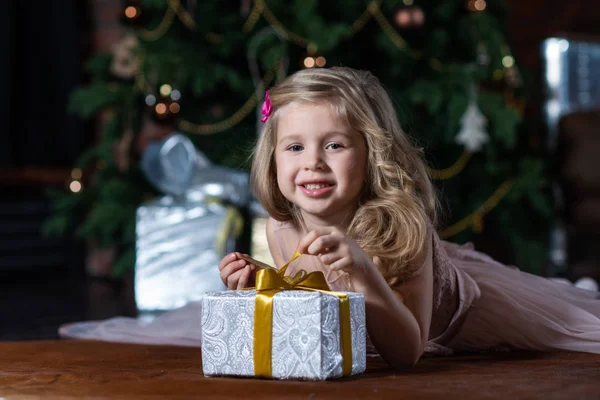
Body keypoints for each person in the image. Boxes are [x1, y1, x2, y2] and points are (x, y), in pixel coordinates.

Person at [218, 66, 600, 368]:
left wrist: (363, 269)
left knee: (576, 324)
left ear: (371, 153)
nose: (313, 162)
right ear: (273, 157)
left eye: (335, 145)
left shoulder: (402, 224)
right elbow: (317, 316)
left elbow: (406, 353)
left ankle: (579, 295)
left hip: (453, 320)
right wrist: (263, 285)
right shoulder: (281, 229)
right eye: (295, 147)